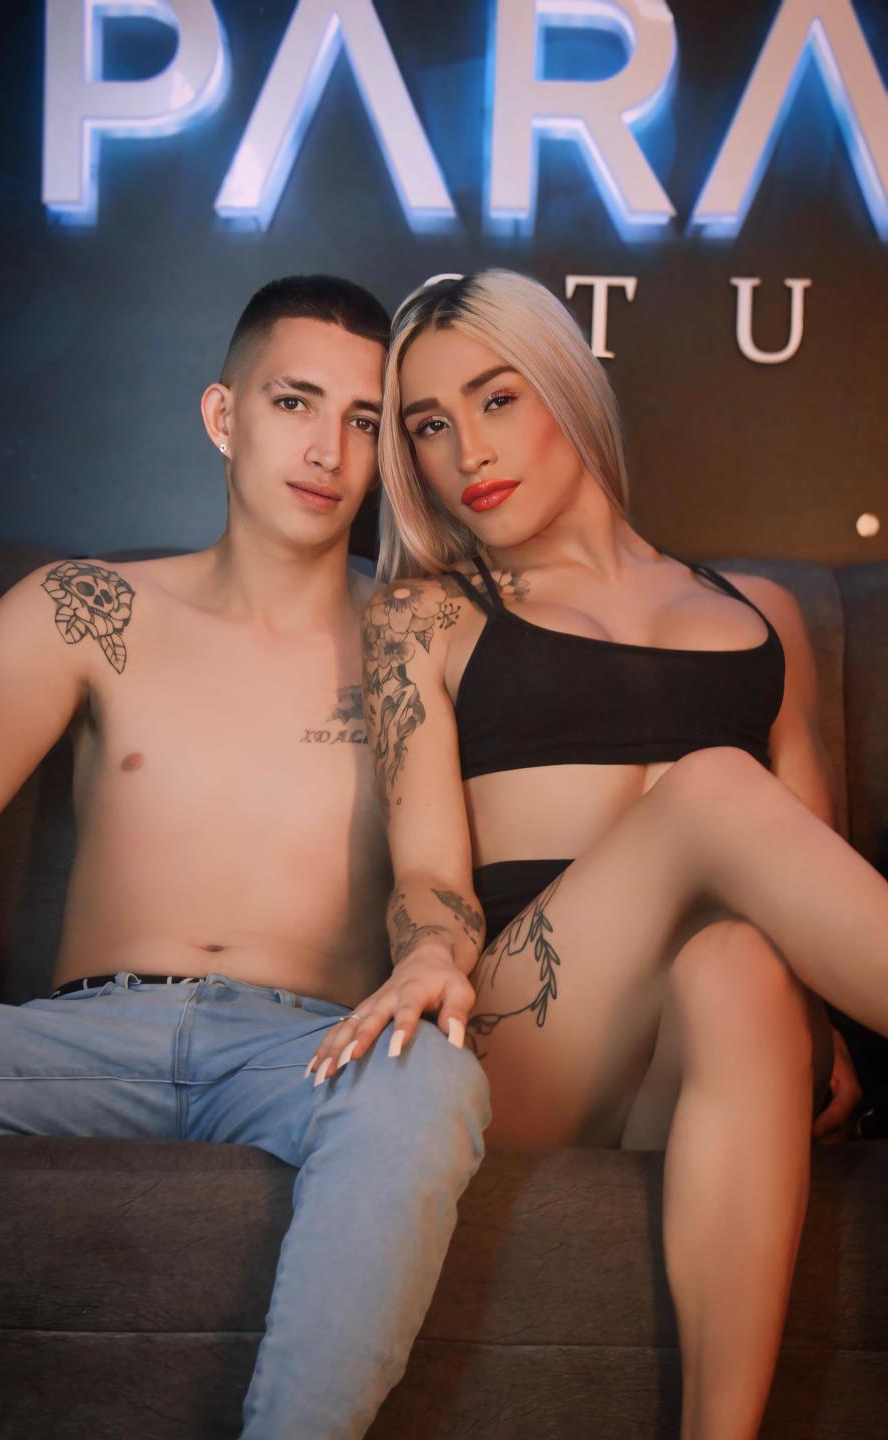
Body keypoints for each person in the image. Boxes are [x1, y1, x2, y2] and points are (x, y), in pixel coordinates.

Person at [304, 270, 887, 1440]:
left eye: (496, 398)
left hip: (705, 1055)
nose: (466, 451)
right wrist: (425, 955)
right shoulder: (425, 614)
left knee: (737, 962)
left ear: (566, 388)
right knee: (711, 783)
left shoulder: (759, 614)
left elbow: (806, 866)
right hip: (529, 1040)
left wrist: (827, 1036)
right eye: (426, 425)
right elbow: (427, 870)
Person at [0, 274, 491, 1440]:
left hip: (304, 1051)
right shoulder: (88, 607)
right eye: (293, 403)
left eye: (364, 421)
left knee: (429, 1083)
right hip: (69, 1044)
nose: (326, 450)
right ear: (222, 416)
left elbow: (433, 872)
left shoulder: (408, 631)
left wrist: (435, 952)